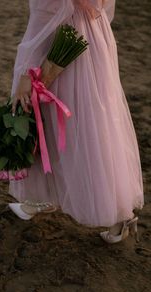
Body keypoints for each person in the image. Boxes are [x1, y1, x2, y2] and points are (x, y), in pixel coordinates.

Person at [8, 0, 144, 243]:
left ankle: (115, 213)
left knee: (67, 124)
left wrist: (27, 71)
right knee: (95, 122)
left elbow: (45, 13)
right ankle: (45, 195)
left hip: (62, 40)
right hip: (92, 37)